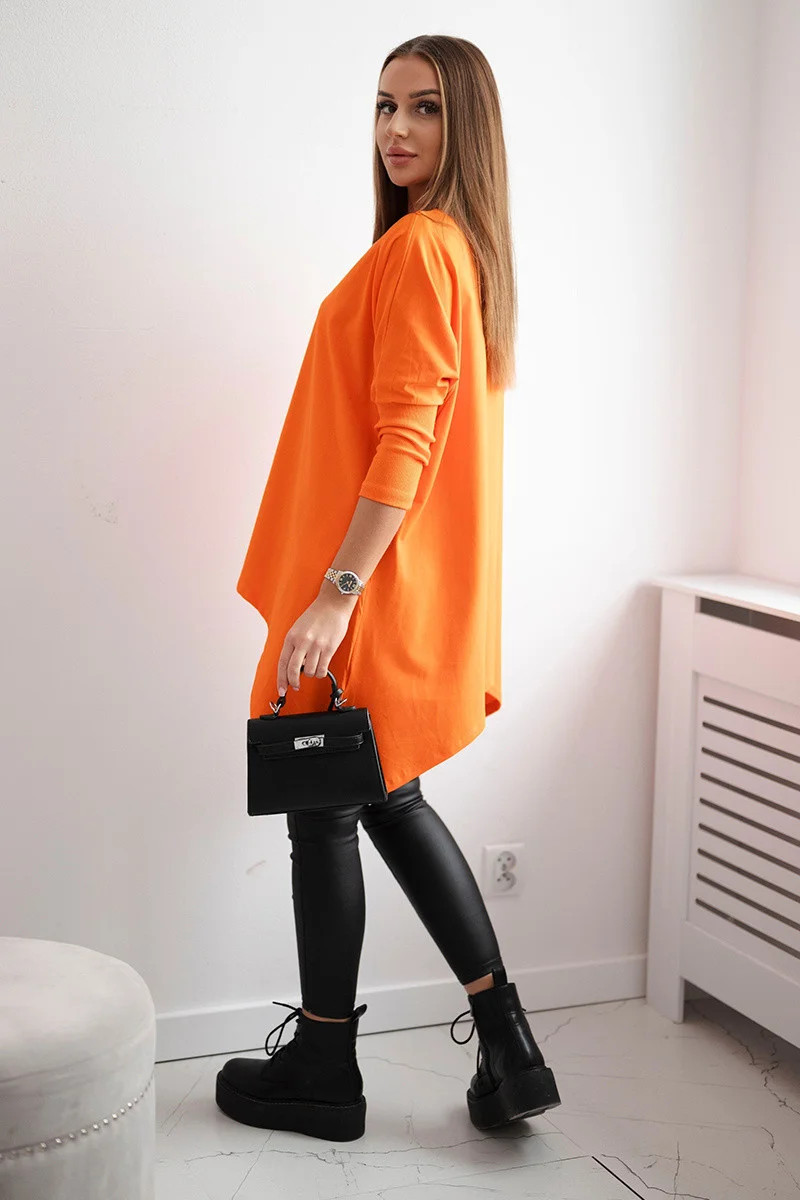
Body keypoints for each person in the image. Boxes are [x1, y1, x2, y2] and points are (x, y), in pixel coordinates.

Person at [216, 34, 561, 1142]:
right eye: (382, 107)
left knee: (326, 807)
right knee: (383, 797)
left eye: (424, 108)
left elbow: (408, 439)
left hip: (368, 590)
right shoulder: (460, 251)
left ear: (467, 127)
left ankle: (326, 1067)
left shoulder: (420, 248)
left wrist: (335, 592)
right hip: (399, 589)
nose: (395, 130)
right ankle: (506, 1043)